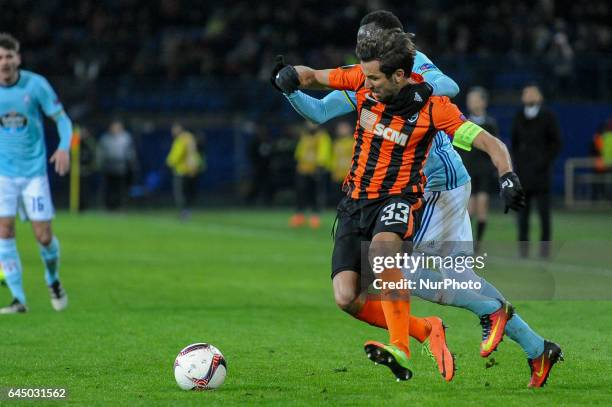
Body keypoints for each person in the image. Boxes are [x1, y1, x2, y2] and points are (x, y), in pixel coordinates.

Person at [274, 15, 561, 387]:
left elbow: (450, 87)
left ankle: (478, 316)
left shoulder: (408, 70)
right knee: (443, 276)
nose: (363, 51)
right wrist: (290, 86)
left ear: (389, 45)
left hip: (434, 185)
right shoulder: (367, 78)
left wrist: (423, 90)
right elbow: (317, 105)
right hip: (412, 187)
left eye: (369, 41)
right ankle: (537, 348)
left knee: (392, 267)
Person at [0, 33, 70, 314]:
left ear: (18, 58)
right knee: (4, 231)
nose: (4, 62)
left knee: (43, 236)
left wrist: (64, 147)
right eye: (0, 57)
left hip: (33, 174)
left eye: (8, 56)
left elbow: (62, 119)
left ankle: (52, 279)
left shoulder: (35, 84)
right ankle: (19, 299)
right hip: (3, 174)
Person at [511, 84, 562, 258]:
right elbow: (514, 143)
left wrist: (543, 161)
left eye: (532, 92)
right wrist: (518, 162)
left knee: (544, 215)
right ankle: (523, 250)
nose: (529, 95)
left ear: (540, 97)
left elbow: (556, 143)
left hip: (541, 175)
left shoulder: (548, 116)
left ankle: (544, 251)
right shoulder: (518, 116)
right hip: (523, 174)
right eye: (526, 92)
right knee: (522, 215)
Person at [457, 87, 500, 252]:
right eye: (469, 99)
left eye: (474, 99)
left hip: (484, 172)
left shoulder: (490, 124)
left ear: (483, 102)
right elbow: (459, 148)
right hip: (467, 172)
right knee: (469, 211)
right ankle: (467, 243)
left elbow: (495, 147)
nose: (471, 102)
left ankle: (478, 244)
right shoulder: (463, 123)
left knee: (482, 207)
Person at [289, 122, 331, 229]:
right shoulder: (305, 136)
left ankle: (315, 217)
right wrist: (298, 164)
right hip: (303, 169)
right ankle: (299, 215)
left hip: (315, 170)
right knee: (301, 193)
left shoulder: (322, 136)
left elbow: (324, 152)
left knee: (315, 193)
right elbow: (299, 152)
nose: (311, 125)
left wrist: (320, 167)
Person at [97, 120, 139, 210]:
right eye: (114, 127)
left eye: (117, 127)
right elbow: (100, 152)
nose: (115, 129)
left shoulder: (126, 137)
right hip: (109, 166)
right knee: (109, 188)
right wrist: (100, 163)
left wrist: (132, 164)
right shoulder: (105, 138)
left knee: (121, 188)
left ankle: (120, 206)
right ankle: (109, 206)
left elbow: (130, 152)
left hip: (121, 166)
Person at [166, 123, 204, 219]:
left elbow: (177, 154)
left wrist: (170, 162)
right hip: (192, 169)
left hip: (182, 170)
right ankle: (187, 210)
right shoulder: (190, 138)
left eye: (174, 129)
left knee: (180, 193)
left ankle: (184, 212)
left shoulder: (181, 139)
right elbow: (195, 153)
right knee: (189, 192)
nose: (173, 132)